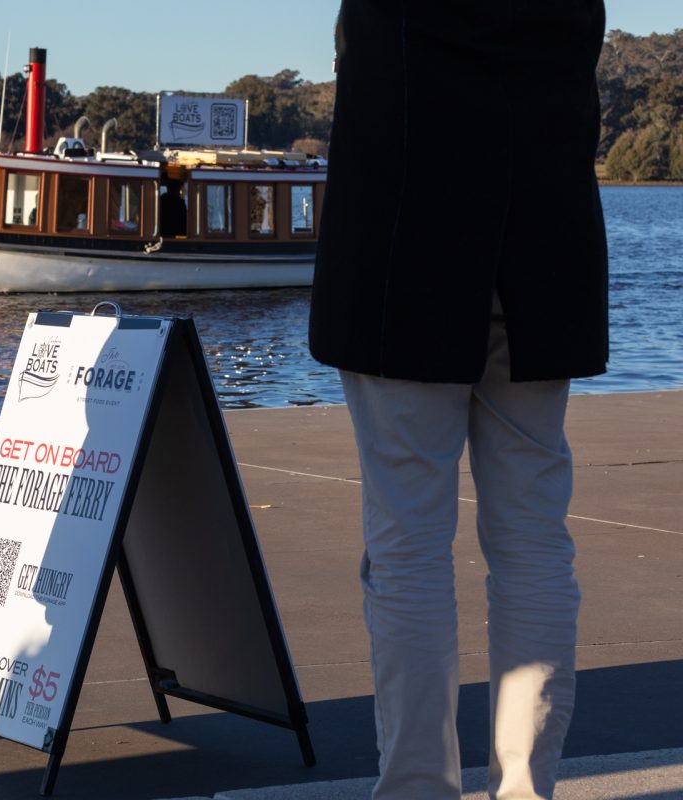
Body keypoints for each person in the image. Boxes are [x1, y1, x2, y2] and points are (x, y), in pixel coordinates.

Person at [309, 2, 608, 799]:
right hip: (544, 252)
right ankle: (526, 787)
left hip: (403, 248)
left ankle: (416, 788)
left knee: (408, 540)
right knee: (535, 540)